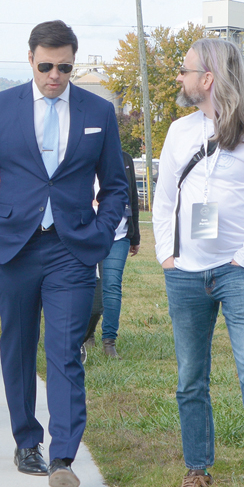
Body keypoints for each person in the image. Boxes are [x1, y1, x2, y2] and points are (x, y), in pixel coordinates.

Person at [0, 20, 129, 487]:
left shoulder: (98, 110)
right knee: (17, 348)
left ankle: (62, 457)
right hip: (13, 249)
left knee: (64, 352)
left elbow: (116, 185)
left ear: (73, 64)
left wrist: (100, 234)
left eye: (64, 67)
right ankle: (26, 441)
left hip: (72, 250)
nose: (54, 75)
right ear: (30, 59)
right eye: (46, 66)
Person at [153, 37, 244, 487]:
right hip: (185, 275)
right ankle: (198, 468)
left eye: (186, 70)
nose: (180, 77)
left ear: (208, 79)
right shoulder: (178, 133)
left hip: (240, 275)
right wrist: (167, 256)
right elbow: (163, 199)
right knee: (190, 379)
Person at [97, 152, 142, 358]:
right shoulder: (79, 153)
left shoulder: (124, 159)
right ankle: (85, 335)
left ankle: (109, 341)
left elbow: (132, 195)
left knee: (112, 285)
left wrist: (135, 236)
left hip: (119, 234)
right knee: (86, 286)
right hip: (84, 234)